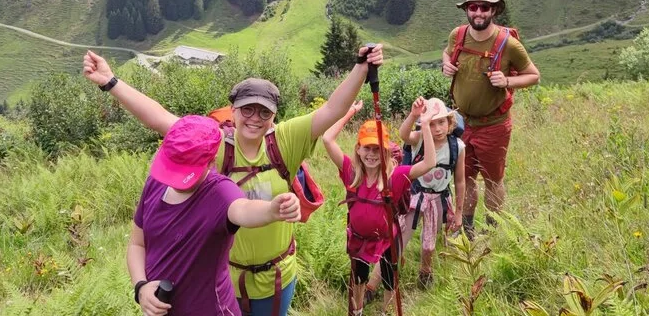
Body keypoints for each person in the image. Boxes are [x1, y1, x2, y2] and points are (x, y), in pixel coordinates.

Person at [83, 44, 384, 316]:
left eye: (263, 111)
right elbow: (160, 119)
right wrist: (111, 82)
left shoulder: (285, 141)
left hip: (275, 276)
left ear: (274, 114)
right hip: (225, 279)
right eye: (247, 109)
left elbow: (333, 109)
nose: (254, 117)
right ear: (234, 110)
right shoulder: (214, 144)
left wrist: (361, 67)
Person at [130, 115, 301, 316]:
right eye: (174, 167)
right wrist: (141, 287)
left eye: (185, 171)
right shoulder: (155, 184)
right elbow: (137, 244)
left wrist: (271, 210)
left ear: (211, 162)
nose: (175, 180)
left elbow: (243, 210)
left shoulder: (220, 193)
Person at [441, 0, 539, 237]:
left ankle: (494, 229)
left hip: (494, 125)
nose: (478, 13)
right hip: (460, 123)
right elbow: (446, 53)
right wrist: (446, 65)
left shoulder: (509, 44)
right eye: (473, 7)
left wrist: (506, 81)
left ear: (493, 11)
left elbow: (533, 76)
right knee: (466, 176)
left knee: (494, 179)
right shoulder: (458, 35)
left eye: (484, 7)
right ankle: (468, 227)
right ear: (467, 10)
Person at [322, 101, 435, 316]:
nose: (371, 154)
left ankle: (386, 312)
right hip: (358, 239)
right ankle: (357, 311)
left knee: (390, 281)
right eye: (367, 148)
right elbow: (327, 138)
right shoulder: (350, 171)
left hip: (387, 240)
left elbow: (429, 163)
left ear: (386, 152)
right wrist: (351, 111)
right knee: (358, 280)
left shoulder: (396, 176)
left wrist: (426, 125)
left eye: (378, 149)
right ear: (358, 148)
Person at [397, 97, 466, 288]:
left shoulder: (457, 147)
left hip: (439, 198)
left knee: (430, 242)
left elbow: (460, 181)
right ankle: (385, 274)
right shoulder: (420, 138)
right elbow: (403, 135)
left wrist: (459, 213)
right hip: (416, 195)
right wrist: (414, 115)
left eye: (442, 122)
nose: (437, 129)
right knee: (403, 234)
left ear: (450, 122)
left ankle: (425, 275)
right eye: (432, 123)